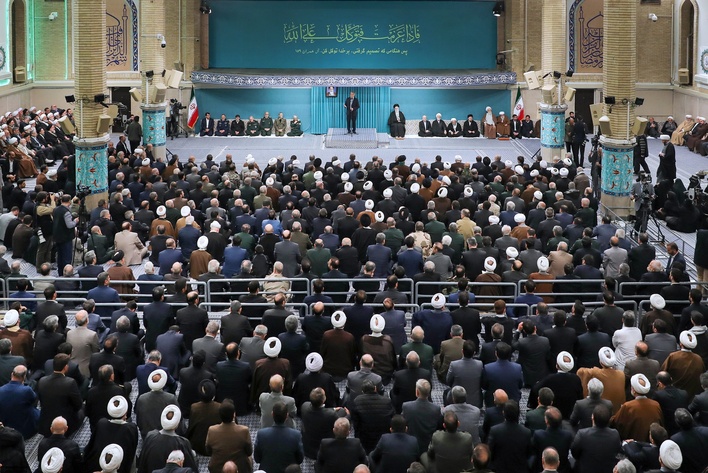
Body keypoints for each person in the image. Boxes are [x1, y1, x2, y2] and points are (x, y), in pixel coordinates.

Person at [254, 401, 305, 473]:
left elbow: (257, 459)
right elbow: (300, 459)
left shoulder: (261, 434)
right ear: (287, 416)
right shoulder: (296, 435)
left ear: (272, 414)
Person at [205, 400, 253, 473]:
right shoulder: (244, 430)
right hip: (240, 467)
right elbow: (249, 452)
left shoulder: (212, 430)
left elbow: (208, 451)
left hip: (217, 468)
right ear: (234, 415)